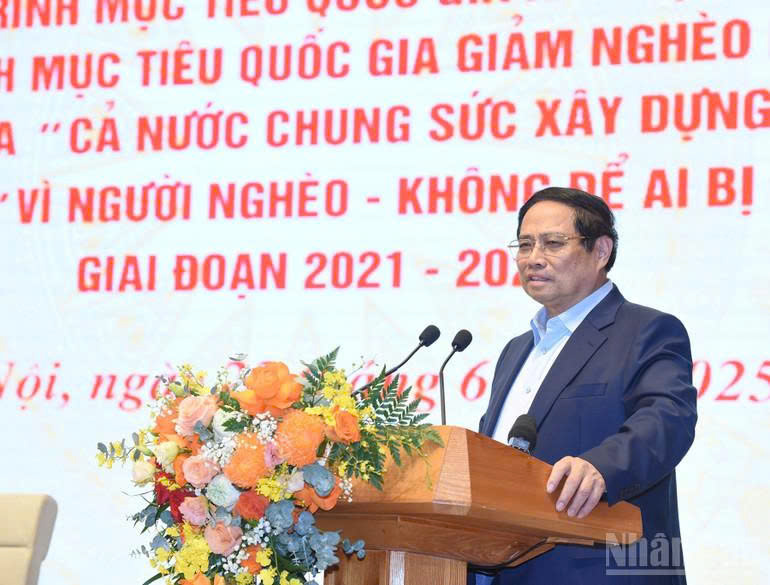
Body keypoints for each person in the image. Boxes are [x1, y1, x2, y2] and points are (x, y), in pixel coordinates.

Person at [473, 187, 697, 584]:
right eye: (524, 245)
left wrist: (601, 467)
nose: (533, 257)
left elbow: (667, 420)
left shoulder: (646, 331)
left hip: (600, 569)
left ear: (601, 251)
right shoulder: (516, 350)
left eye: (553, 243)